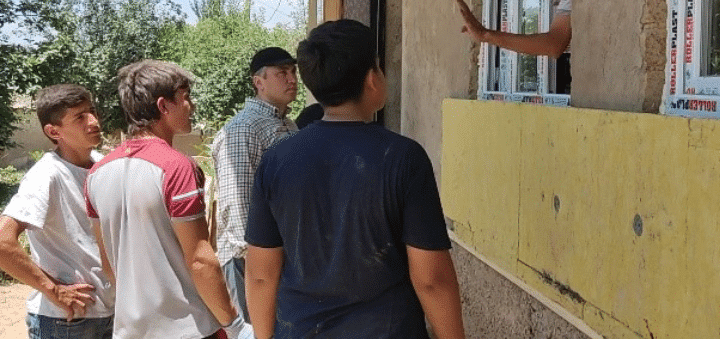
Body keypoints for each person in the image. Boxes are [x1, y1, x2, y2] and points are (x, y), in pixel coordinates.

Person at [244, 19, 466, 339]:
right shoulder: (403, 158)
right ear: (372, 79)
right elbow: (431, 278)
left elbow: (261, 274)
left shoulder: (276, 161)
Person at [84, 60, 252, 339]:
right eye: (185, 98)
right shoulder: (176, 167)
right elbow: (199, 259)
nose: (192, 106)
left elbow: (108, 262)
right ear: (163, 106)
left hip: (132, 329)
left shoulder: (96, 174)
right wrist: (234, 325)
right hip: (189, 329)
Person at [0, 84, 114, 339]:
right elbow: (2, 242)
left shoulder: (103, 166)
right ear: (54, 131)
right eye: (80, 117)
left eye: (92, 111)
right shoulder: (47, 175)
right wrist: (54, 291)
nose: (94, 121)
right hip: (66, 323)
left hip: (108, 313)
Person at [212, 47, 299, 323]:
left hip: (279, 257)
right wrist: (259, 264)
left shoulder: (287, 124)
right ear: (258, 82)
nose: (292, 79)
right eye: (282, 73)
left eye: (293, 72)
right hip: (251, 263)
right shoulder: (243, 129)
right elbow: (237, 207)